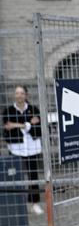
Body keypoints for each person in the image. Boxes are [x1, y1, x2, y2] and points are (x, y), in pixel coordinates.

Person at [3, 85, 44, 215]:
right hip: (16, 149)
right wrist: (28, 124)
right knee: (14, 176)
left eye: (21, 93)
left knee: (33, 176)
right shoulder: (8, 110)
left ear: (26, 95)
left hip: (32, 148)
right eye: (17, 93)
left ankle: (34, 203)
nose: (19, 95)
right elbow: (7, 126)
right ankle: (17, 204)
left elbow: (39, 128)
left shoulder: (33, 109)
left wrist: (16, 124)